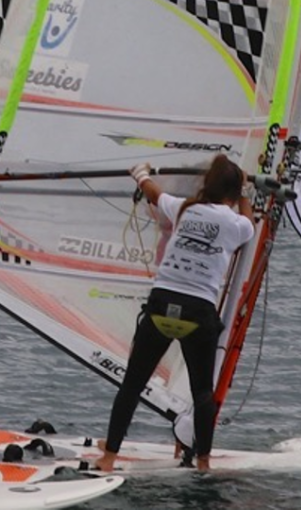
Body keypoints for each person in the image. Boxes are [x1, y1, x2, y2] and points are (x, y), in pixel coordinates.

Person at [95, 154, 255, 473]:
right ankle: (204, 462)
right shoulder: (236, 223)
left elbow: (154, 193)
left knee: (132, 385)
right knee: (202, 393)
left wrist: (140, 174)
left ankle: (109, 457)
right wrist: (247, 193)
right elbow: (250, 222)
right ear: (233, 194)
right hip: (198, 315)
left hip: (161, 307)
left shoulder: (184, 209)